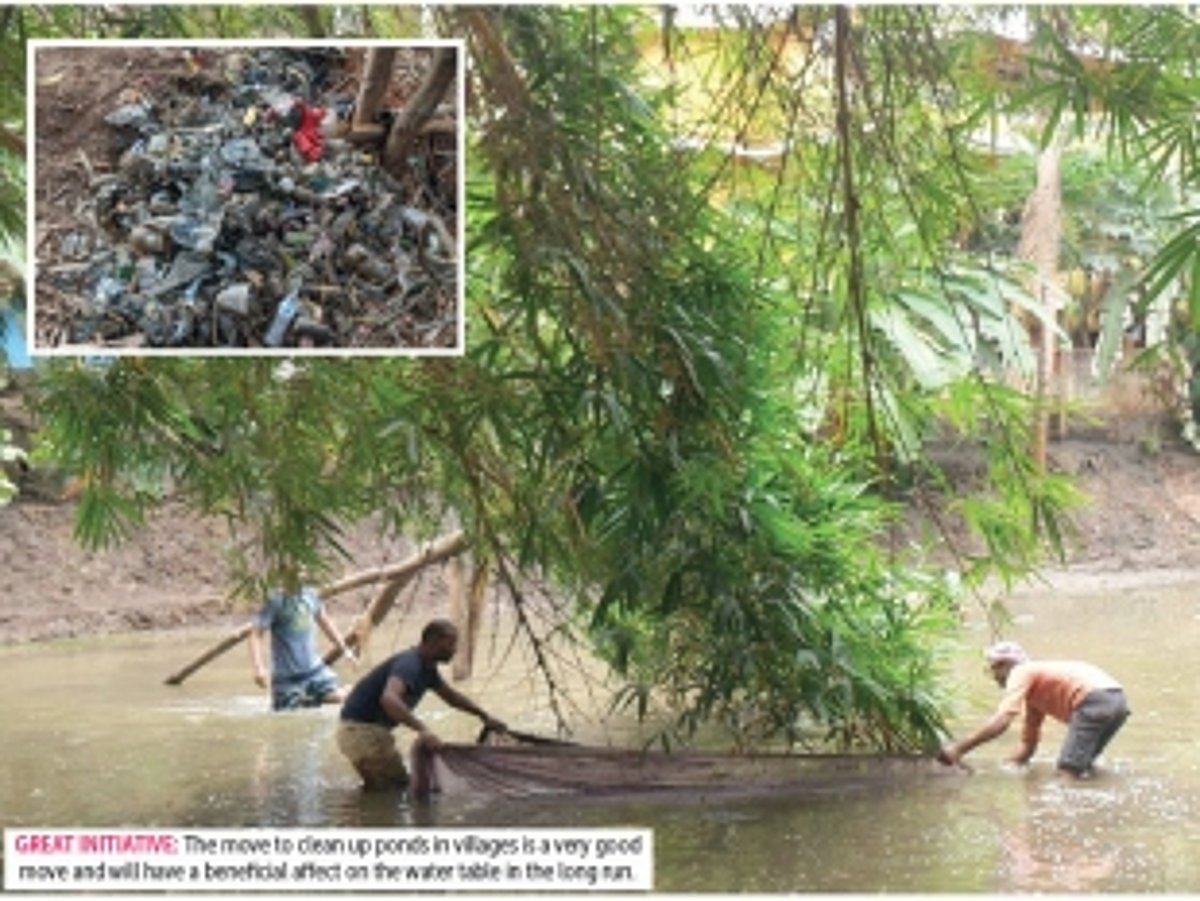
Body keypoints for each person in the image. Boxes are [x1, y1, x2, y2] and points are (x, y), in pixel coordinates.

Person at [336, 618, 506, 791]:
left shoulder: (427, 669)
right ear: (433, 642)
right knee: (396, 789)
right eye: (450, 644)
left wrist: (483, 715)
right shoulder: (410, 663)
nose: (454, 650)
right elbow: (389, 699)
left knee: (381, 790)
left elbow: (452, 697)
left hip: (362, 732)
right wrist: (423, 730)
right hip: (362, 732)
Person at [937, 641, 1130, 779]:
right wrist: (1007, 766)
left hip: (1094, 700)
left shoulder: (1021, 671)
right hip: (1117, 702)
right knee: (1082, 766)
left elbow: (1003, 719)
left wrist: (958, 749)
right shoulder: (1036, 692)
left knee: (1066, 772)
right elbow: (1028, 745)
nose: (994, 677)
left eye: (993, 669)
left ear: (1003, 664)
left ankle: (1065, 818)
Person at [248, 581, 357, 711]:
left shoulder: (310, 594)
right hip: (287, 679)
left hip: (314, 671)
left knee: (338, 698)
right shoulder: (275, 600)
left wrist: (345, 650)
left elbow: (325, 622)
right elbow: (256, 634)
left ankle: (353, 689)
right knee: (291, 711)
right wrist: (259, 668)